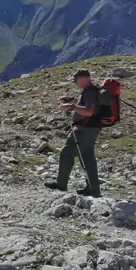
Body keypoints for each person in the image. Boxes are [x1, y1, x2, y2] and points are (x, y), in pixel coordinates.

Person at [45, 68, 109, 197]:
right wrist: (72, 101)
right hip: (92, 128)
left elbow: (89, 111)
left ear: (85, 78)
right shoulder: (91, 91)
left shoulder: (90, 92)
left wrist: (71, 107)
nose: (75, 82)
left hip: (84, 129)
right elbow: (88, 107)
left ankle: (61, 184)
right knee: (87, 157)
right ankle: (93, 189)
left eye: (76, 79)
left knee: (66, 153)